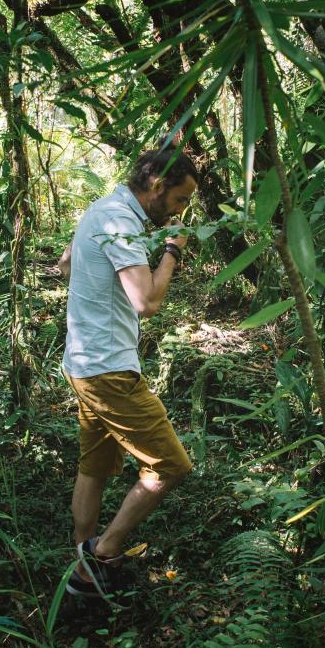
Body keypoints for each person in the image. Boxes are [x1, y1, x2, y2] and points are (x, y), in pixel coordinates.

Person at [58, 146, 198, 598]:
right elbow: (147, 302)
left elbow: (65, 266)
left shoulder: (102, 210)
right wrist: (172, 250)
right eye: (180, 199)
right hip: (109, 370)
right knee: (170, 465)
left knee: (96, 465)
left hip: (83, 363)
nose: (180, 210)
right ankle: (104, 553)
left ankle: (82, 561)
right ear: (157, 186)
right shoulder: (121, 221)